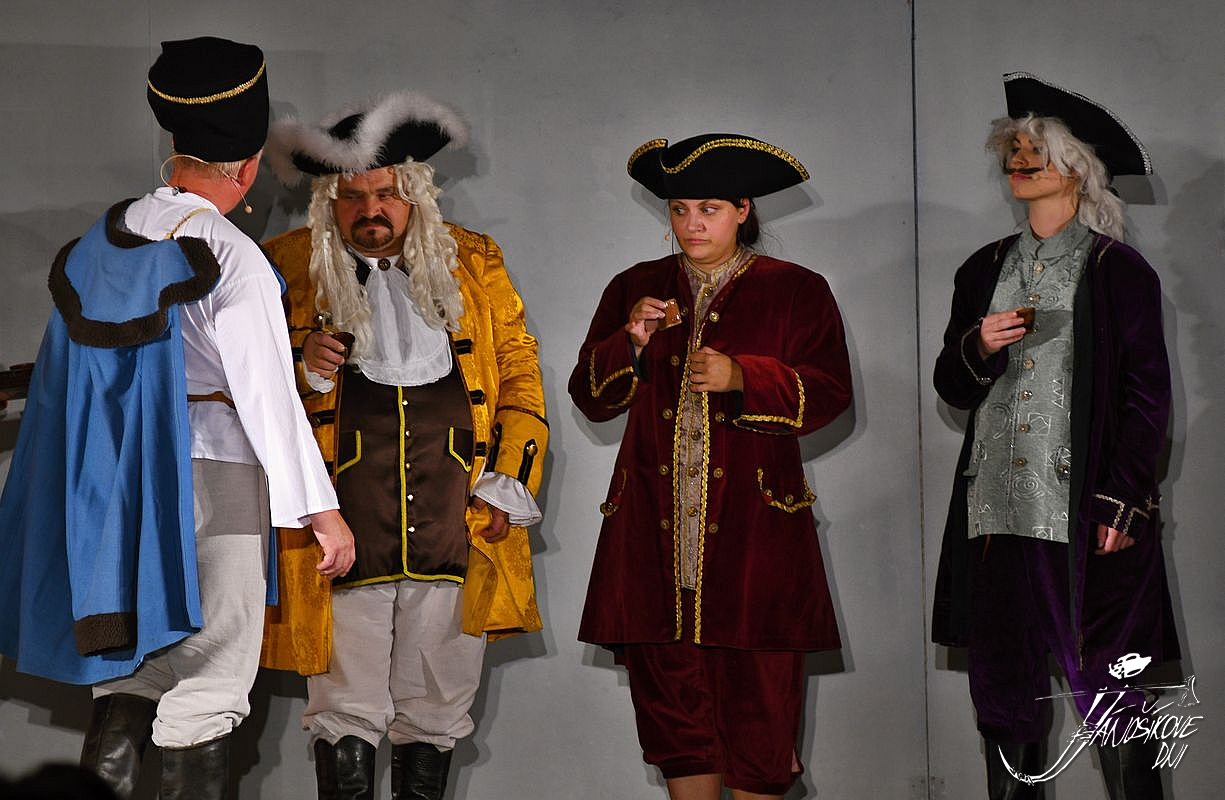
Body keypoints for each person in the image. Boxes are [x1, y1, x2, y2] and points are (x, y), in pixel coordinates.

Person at [0, 36, 355, 799]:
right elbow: (265, 396)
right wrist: (322, 513)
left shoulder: (98, 243)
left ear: (174, 146)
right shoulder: (233, 254)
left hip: (117, 490)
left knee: (130, 675)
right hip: (214, 477)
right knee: (212, 679)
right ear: (249, 164)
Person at [258, 91, 548, 800]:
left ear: (414, 193)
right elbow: (244, 390)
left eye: (385, 193)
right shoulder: (283, 267)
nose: (371, 210)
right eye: (353, 197)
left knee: (438, 706)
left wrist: (507, 483)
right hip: (338, 530)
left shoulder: (473, 262)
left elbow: (519, 376)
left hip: (456, 522)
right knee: (343, 707)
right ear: (329, 203)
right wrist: (301, 365)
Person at [569, 134, 852, 799]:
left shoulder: (796, 289)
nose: (692, 224)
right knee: (676, 729)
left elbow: (831, 393)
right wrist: (630, 345)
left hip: (757, 543)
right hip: (651, 544)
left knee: (761, 727)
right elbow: (590, 396)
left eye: (709, 209)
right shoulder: (634, 286)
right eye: (679, 210)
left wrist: (744, 377)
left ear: (742, 211)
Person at [931, 73, 1180, 800]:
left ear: (1075, 165)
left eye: (1034, 150)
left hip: (1084, 517)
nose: (1018, 160)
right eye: (1012, 150)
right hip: (994, 518)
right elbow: (951, 387)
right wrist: (978, 347)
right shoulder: (982, 268)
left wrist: (1120, 501)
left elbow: (1146, 398)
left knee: (1112, 694)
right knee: (1002, 693)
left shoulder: (1116, 270)